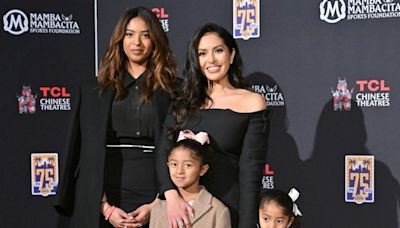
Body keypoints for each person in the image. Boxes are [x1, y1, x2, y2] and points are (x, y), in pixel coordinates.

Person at [54, 7, 177, 228]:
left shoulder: (175, 91)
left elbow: (185, 151)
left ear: (156, 40)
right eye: (129, 34)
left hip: (156, 196)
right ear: (119, 39)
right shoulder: (92, 90)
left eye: (145, 34)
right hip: (103, 200)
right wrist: (105, 208)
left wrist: (157, 205)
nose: (136, 42)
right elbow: (81, 154)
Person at [156, 23, 269, 228]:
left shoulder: (252, 103)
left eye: (218, 51)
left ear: (232, 54)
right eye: (202, 53)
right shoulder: (183, 101)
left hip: (227, 209)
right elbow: (163, 151)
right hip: (181, 212)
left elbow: (250, 173)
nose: (211, 60)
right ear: (196, 60)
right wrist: (170, 196)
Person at [150, 130, 231, 228]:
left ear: (203, 169)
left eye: (188, 165)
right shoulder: (158, 207)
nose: (179, 171)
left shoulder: (217, 210)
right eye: (174, 164)